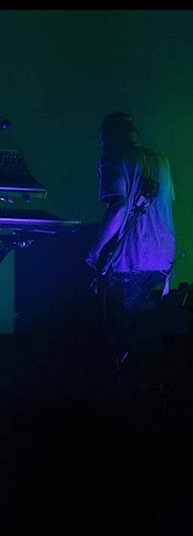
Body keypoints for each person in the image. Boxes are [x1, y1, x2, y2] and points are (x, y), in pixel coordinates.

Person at [85, 111, 176, 385]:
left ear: (108, 136)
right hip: (162, 262)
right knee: (150, 338)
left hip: (128, 262)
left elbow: (119, 207)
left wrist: (95, 251)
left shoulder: (114, 159)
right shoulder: (162, 160)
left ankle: (119, 400)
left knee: (118, 339)